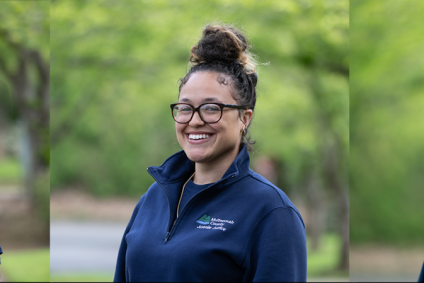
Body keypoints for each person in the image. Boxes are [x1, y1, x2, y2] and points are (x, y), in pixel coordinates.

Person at [114, 24, 307, 282]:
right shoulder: (153, 198)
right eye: (185, 108)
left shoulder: (272, 212)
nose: (194, 121)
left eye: (211, 108)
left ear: (244, 118)